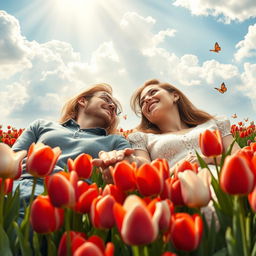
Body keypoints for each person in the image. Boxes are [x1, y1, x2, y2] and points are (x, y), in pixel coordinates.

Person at [12, 83, 132, 200]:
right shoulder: (41, 125)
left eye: (115, 107)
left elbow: (128, 167)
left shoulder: (116, 141)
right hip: (19, 186)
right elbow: (13, 159)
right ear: (82, 101)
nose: (112, 106)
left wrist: (117, 161)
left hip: (71, 197)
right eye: (105, 99)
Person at [126, 79, 241, 170]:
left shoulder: (214, 124)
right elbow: (147, 175)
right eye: (142, 102)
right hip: (179, 192)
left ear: (175, 96)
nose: (147, 99)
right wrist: (179, 167)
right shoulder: (142, 139)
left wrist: (208, 159)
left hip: (226, 189)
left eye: (153, 92)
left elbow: (241, 159)